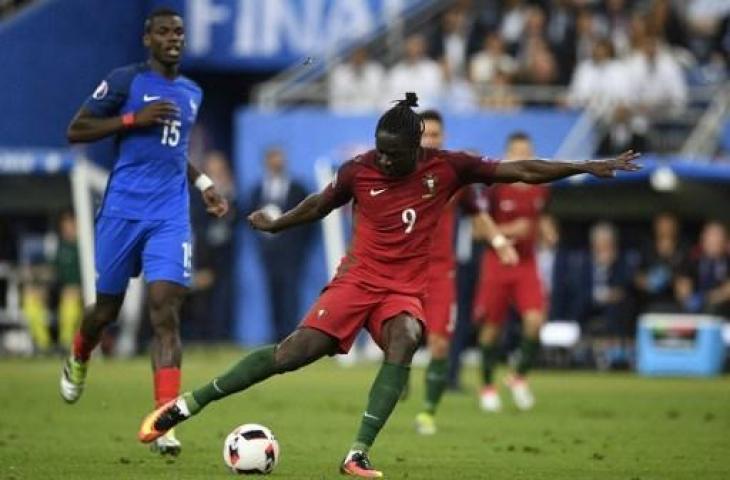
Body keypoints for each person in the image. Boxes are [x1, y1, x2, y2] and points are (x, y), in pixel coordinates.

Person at [138, 92, 640, 478]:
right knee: (291, 354)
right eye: (380, 150)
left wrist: (585, 166)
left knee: (409, 336)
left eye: (394, 154)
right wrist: (278, 222)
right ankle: (187, 405)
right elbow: (319, 204)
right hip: (356, 280)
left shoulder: (448, 167)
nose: (385, 160)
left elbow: (523, 170)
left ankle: (357, 452)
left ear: (416, 146)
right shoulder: (359, 170)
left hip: (402, 288)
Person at [59, 7, 228, 456]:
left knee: (164, 309)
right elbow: (76, 130)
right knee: (106, 311)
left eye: (179, 32)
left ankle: (163, 421)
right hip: (122, 211)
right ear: (147, 38)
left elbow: (173, 152)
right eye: (165, 32)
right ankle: (79, 353)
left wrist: (204, 183)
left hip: (169, 214)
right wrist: (133, 120)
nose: (174, 38)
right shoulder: (124, 82)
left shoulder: (192, 91)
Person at [413, 110, 518, 436]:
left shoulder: (454, 174)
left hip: (442, 271)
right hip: (404, 269)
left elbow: (477, 214)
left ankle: (428, 413)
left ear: (443, 137)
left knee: (440, 345)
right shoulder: (399, 172)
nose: (431, 140)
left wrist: (500, 241)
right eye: (426, 134)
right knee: (400, 340)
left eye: (436, 134)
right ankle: (395, 382)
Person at [473, 132, 550, 412]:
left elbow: (540, 221)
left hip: (527, 264)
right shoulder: (494, 188)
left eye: (526, 151)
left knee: (535, 320)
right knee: (491, 329)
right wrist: (509, 230)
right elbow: (477, 229)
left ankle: (517, 377)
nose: (522, 156)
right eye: (516, 151)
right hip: (498, 262)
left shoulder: (541, 187)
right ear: (507, 154)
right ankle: (487, 385)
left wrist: (547, 232)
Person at [249, 147, 312, 341]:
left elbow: (310, 221)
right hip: (269, 253)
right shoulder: (258, 190)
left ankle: (291, 336)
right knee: (272, 294)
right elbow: (250, 219)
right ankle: (275, 337)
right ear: (266, 161)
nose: (277, 162)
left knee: (290, 295)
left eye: (280, 157)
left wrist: (300, 249)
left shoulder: (298, 189)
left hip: (292, 253)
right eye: (273, 158)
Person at [676, 221, 730, 318]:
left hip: (723, 310)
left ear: (725, 241)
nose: (714, 240)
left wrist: (706, 298)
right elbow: (682, 285)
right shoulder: (692, 259)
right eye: (710, 236)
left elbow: (727, 291)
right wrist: (687, 298)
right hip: (694, 311)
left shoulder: (727, 261)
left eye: (718, 236)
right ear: (702, 239)